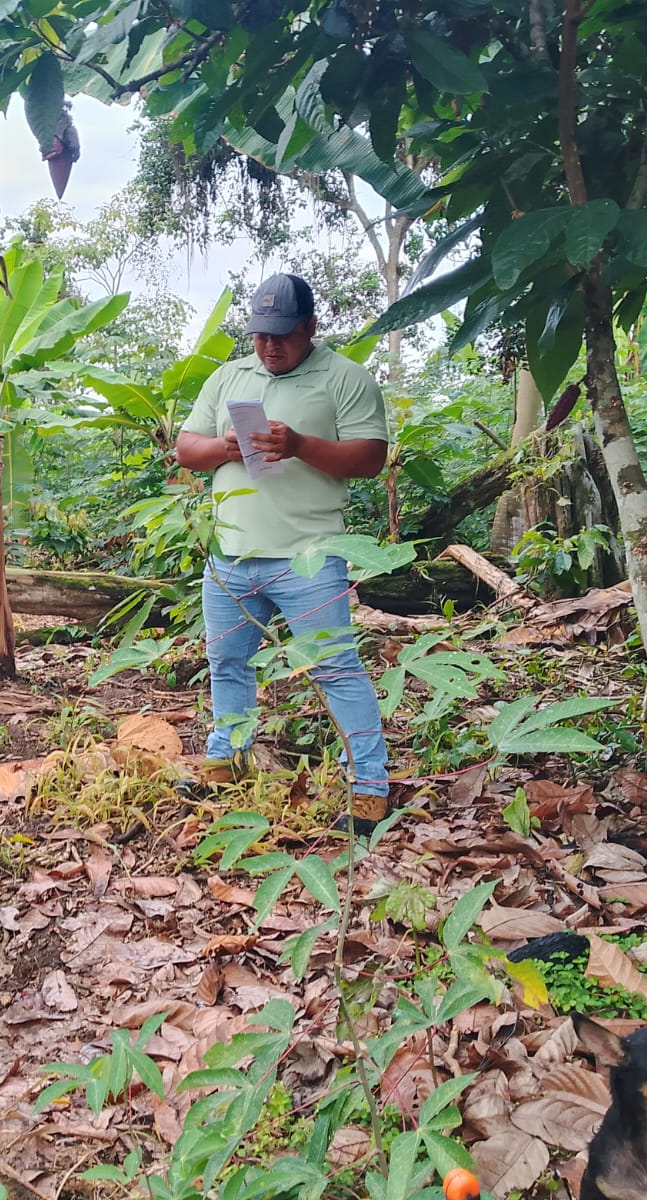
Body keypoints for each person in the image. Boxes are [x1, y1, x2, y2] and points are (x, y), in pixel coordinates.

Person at [174, 273, 392, 829]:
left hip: (309, 557)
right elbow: (186, 448)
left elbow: (370, 458)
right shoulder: (229, 376)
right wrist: (224, 447)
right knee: (227, 663)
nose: (270, 346)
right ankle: (226, 760)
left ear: (310, 327)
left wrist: (299, 445)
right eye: (261, 335)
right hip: (231, 555)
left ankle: (369, 788)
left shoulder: (345, 378)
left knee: (335, 668)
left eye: (283, 335)